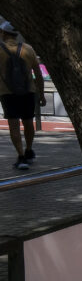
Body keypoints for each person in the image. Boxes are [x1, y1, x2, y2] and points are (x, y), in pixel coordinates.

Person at [0, 21, 45, 170]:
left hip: (7, 93)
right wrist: (42, 94)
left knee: (14, 125)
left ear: (4, 34)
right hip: (28, 92)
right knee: (28, 122)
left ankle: (20, 157)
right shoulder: (28, 49)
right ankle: (29, 150)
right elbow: (38, 74)